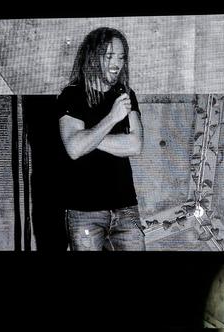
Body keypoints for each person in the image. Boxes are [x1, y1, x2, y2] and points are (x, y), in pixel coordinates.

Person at [56, 27, 145, 251]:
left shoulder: (125, 94)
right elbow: (75, 149)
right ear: (94, 57)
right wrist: (112, 118)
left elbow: (135, 145)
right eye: (109, 56)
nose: (117, 63)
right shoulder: (72, 95)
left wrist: (90, 138)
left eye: (121, 57)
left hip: (126, 208)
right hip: (84, 211)